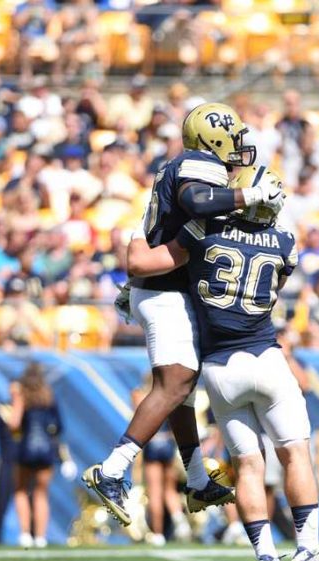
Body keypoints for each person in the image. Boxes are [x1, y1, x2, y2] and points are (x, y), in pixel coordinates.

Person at [127, 165, 319, 561]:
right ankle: (308, 546)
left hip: (220, 369)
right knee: (296, 453)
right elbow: (276, 283)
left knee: (248, 465)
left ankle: (264, 552)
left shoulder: (204, 233)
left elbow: (167, 266)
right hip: (265, 356)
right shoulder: (285, 242)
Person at [83, 102, 284, 527]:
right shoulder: (197, 166)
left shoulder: (179, 167)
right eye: (234, 136)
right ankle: (113, 470)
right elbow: (196, 200)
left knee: (184, 388)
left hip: (159, 289)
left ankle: (196, 479)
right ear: (215, 137)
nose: (240, 146)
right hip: (164, 293)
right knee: (174, 384)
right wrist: (247, 195)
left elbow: (166, 236)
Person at [6, 362, 64, 549]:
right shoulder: (48, 396)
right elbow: (59, 426)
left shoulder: (21, 395)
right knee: (41, 494)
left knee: (21, 490)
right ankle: (40, 537)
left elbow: (14, 423)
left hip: (25, 449)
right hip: (46, 450)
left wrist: (14, 399)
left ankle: (25, 534)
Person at [133, 374, 191, 546]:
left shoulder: (140, 394)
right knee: (170, 489)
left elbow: (140, 418)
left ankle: (158, 534)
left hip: (153, 442)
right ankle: (179, 520)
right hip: (168, 442)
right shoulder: (170, 395)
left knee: (154, 491)